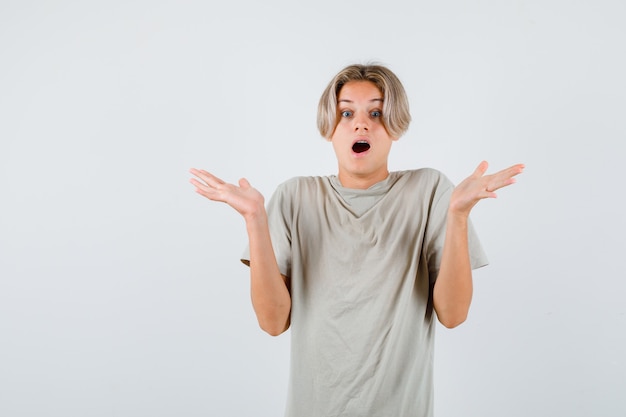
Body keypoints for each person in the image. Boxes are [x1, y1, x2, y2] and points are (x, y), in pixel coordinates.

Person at [190, 63, 524, 417]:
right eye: (346, 112)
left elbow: (454, 315)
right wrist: (255, 219)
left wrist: (458, 216)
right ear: (330, 127)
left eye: (376, 112)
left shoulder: (430, 191)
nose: (360, 123)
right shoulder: (294, 197)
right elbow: (273, 323)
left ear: (395, 126)